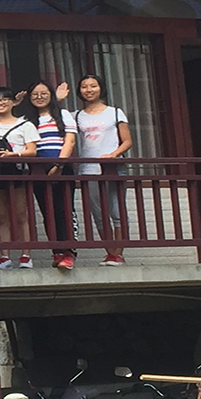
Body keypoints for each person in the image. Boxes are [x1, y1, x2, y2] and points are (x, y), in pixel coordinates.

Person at [74, 74, 132, 265]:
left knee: (117, 210)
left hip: (113, 168)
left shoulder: (115, 112)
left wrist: (113, 155)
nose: (89, 90)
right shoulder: (77, 116)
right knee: (98, 213)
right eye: (84, 86)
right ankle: (110, 252)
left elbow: (127, 141)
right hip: (88, 169)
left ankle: (118, 254)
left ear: (101, 88)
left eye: (93, 86)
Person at [22, 80, 79, 271]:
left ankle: (69, 252)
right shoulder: (26, 120)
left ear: (51, 95)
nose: (39, 97)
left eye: (44, 93)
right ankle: (57, 252)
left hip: (62, 165)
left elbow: (70, 142)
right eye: (35, 94)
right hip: (38, 168)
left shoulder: (63, 115)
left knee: (65, 210)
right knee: (48, 212)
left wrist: (59, 165)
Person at [0, 87, 39, 269]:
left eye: (5, 98)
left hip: (17, 170)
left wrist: (14, 155)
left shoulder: (25, 125)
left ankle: (26, 255)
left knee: (21, 213)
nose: (1, 102)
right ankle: (4, 256)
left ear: (14, 102)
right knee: (1, 216)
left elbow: (32, 151)